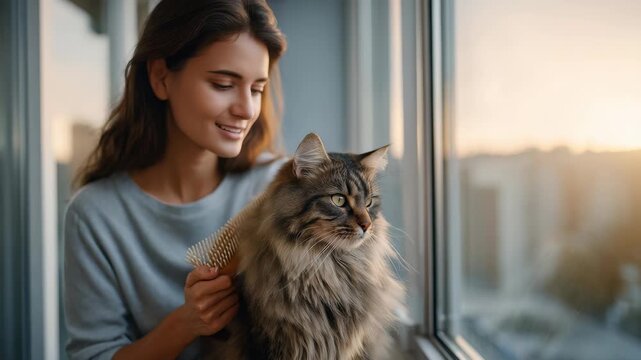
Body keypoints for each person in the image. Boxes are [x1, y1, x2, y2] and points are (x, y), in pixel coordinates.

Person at [63, 0, 287, 359]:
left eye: (256, 89)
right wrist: (186, 323)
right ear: (161, 77)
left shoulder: (278, 189)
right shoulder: (95, 215)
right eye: (223, 84)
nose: (246, 109)